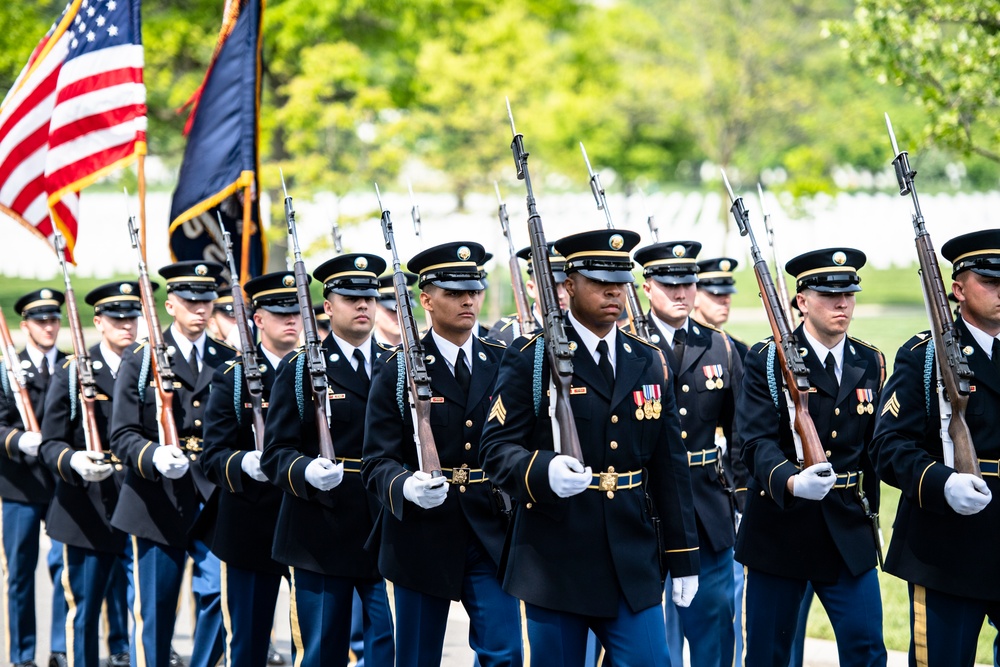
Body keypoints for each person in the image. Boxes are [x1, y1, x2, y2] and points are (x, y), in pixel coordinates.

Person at [479, 229, 700, 666]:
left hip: (631, 559)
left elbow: (670, 466)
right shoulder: (532, 357)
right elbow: (497, 449)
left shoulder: (647, 359)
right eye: (600, 280)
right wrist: (542, 471)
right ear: (569, 285)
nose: (613, 290)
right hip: (555, 560)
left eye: (620, 280)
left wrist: (684, 555)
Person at [362, 242, 520, 667]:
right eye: (453, 292)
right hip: (422, 533)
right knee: (416, 657)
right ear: (426, 300)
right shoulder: (397, 370)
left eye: (474, 289)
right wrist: (405, 486)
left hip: (490, 528)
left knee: (505, 653)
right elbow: (377, 461)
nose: (468, 299)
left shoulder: (505, 363)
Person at [736, 247, 887, 666]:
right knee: (770, 655)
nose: (842, 303)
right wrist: (788, 478)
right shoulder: (767, 359)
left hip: (847, 528)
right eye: (828, 294)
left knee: (867, 649)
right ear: (801, 301)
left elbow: (873, 450)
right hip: (781, 529)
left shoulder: (869, 361)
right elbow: (754, 441)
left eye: (849, 294)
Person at [871, 229, 1000, 665]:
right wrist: (942, 484)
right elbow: (888, 445)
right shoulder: (924, 357)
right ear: (958, 289)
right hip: (949, 549)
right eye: (992, 282)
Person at [261, 254, 395, 667]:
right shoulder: (300, 368)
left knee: (387, 641)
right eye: (351, 298)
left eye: (369, 298)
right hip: (320, 527)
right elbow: (276, 453)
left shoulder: (398, 363)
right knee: (321, 648)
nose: (363, 306)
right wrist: (304, 470)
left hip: (384, 523)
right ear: (327, 306)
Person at [110, 261, 235, 667]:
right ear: (170, 304)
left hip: (213, 498)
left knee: (219, 595)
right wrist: (154, 455)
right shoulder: (142, 359)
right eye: (189, 300)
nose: (200, 308)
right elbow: (122, 434)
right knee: (158, 609)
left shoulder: (226, 358)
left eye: (207, 300)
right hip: (157, 500)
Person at [633, 240, 745, 666]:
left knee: (714, 629)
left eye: (689, 283)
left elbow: (739, 433)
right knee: (642, 634)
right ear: (647, 287)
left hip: (705, 505)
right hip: (642, 504)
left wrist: (739, 498)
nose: (682, 293)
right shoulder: (626, 343)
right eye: (669, 284)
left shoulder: (719, 346)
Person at [200, 271, 303, 667]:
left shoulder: (315, 373)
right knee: (247, 643)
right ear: (258, 320)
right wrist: (244, 461)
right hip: (248, 524)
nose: (292, 319)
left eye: (297, 311)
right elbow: (213, 456)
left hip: (304, 524)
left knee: (312, 641)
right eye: (281, 313)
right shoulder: (232, 378)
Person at [39, 281, 143, 667]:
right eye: (116, 319)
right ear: (98, 323)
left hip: (137, 503)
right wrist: (74, 461)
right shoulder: (72, 371)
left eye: (132, 318)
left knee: (141, 609)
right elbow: (51, 443)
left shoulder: (148, 366)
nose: (126, 326)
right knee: (82, 611)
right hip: (85, 506)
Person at [0, 289, 69, 667]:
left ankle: (60, 646)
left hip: (62, 483)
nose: (49, 326)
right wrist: (18, 439)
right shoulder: (6, 368)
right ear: (25, 325)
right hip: (20, 485)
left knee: (64, 566)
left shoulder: (73, 366)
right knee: (21, 573)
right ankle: (23, 654)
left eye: (54, 319)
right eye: (40, 320)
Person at [486, 243, 568, 346]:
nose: (561, 295)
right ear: (531, 288)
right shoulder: (506, 334)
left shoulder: (581, 327)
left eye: (566, 286)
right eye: (553, 286)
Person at [693, 257, 749, 362]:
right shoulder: (685, 345)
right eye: (717, 294)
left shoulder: (740, 349)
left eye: (728, 293)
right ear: (695, 297)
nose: (726, 300)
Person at [373, 271, 416, 347]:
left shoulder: (422, 347)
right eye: (393, 310)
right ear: (374, 311)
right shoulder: (365, 350)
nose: (401, 315)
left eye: (406, 309)